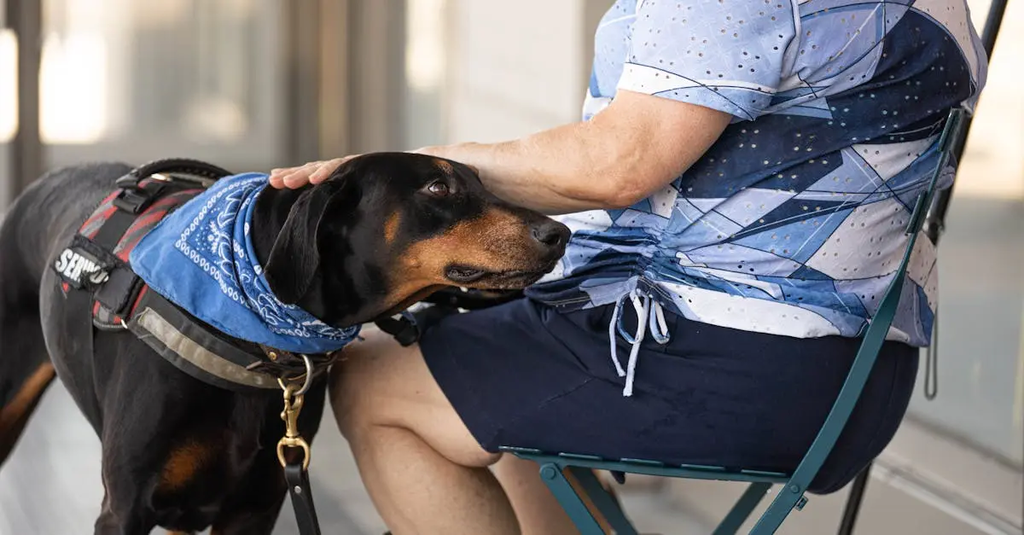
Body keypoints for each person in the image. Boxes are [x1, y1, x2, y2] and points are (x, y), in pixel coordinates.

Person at [270, 0, 987, 532]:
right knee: (487, 375)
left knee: (375, 383)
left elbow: (620, 163)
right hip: (855, 376)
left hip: (727, 361)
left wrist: (425, 170)